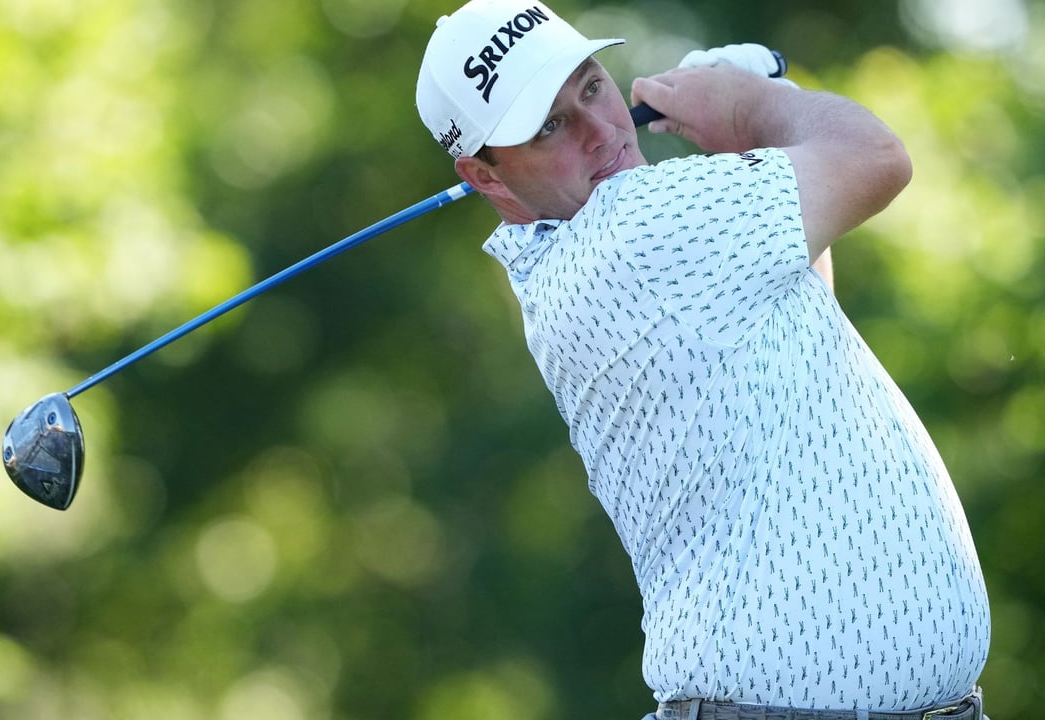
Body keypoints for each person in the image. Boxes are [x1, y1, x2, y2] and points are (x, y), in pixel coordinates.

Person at [416, 1, 991, 718]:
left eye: (592, 86)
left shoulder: (611, 250)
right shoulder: (633, 229)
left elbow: (801, 300)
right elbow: (877, 158)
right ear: (487, 176)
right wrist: (753, 102)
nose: (600, 131)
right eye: (551, 125)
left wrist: (738, 144)